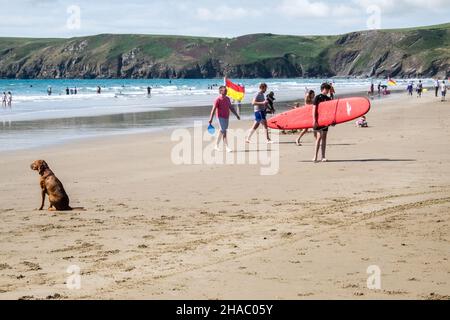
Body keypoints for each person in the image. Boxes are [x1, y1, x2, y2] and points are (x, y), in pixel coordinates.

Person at [208, 86, 241, 153]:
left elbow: (231, 108)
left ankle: (216, 146)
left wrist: (236, 115)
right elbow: (213, 109)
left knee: (222, 130)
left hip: (226, 117)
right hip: (220, 117)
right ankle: (227, 147)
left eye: (226, 90)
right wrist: (210, 118)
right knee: (224, 131)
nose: (226, 91)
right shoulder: (218, 99)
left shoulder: (228, 99)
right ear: (220, 91)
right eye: (224, 90)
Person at [312, 83, 332, 163]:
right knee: (319, 137)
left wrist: (331, 120)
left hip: (326, 120)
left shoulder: (328, 98)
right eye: (326, 89)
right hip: (318, 120)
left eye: (328, 89)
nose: (327, 91)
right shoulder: (317, 97)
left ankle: (323, 156)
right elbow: (314, 109)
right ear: (322, 89)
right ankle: (315, 156)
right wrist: (314, 120)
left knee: (324, 137)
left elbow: (330, 111)